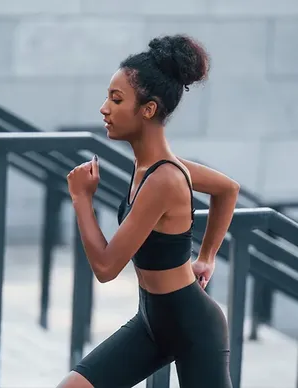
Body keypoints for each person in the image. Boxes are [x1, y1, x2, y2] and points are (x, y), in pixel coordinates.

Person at [57, 34, 240, 388]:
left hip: (192, 329)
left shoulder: (165, 180)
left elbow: (107, 267)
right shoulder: (152, 168)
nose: (104, 109)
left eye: (116, 99)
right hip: (152, 322)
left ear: (148, 109)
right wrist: (205, 258)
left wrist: (82, 199)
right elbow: (226, 189)